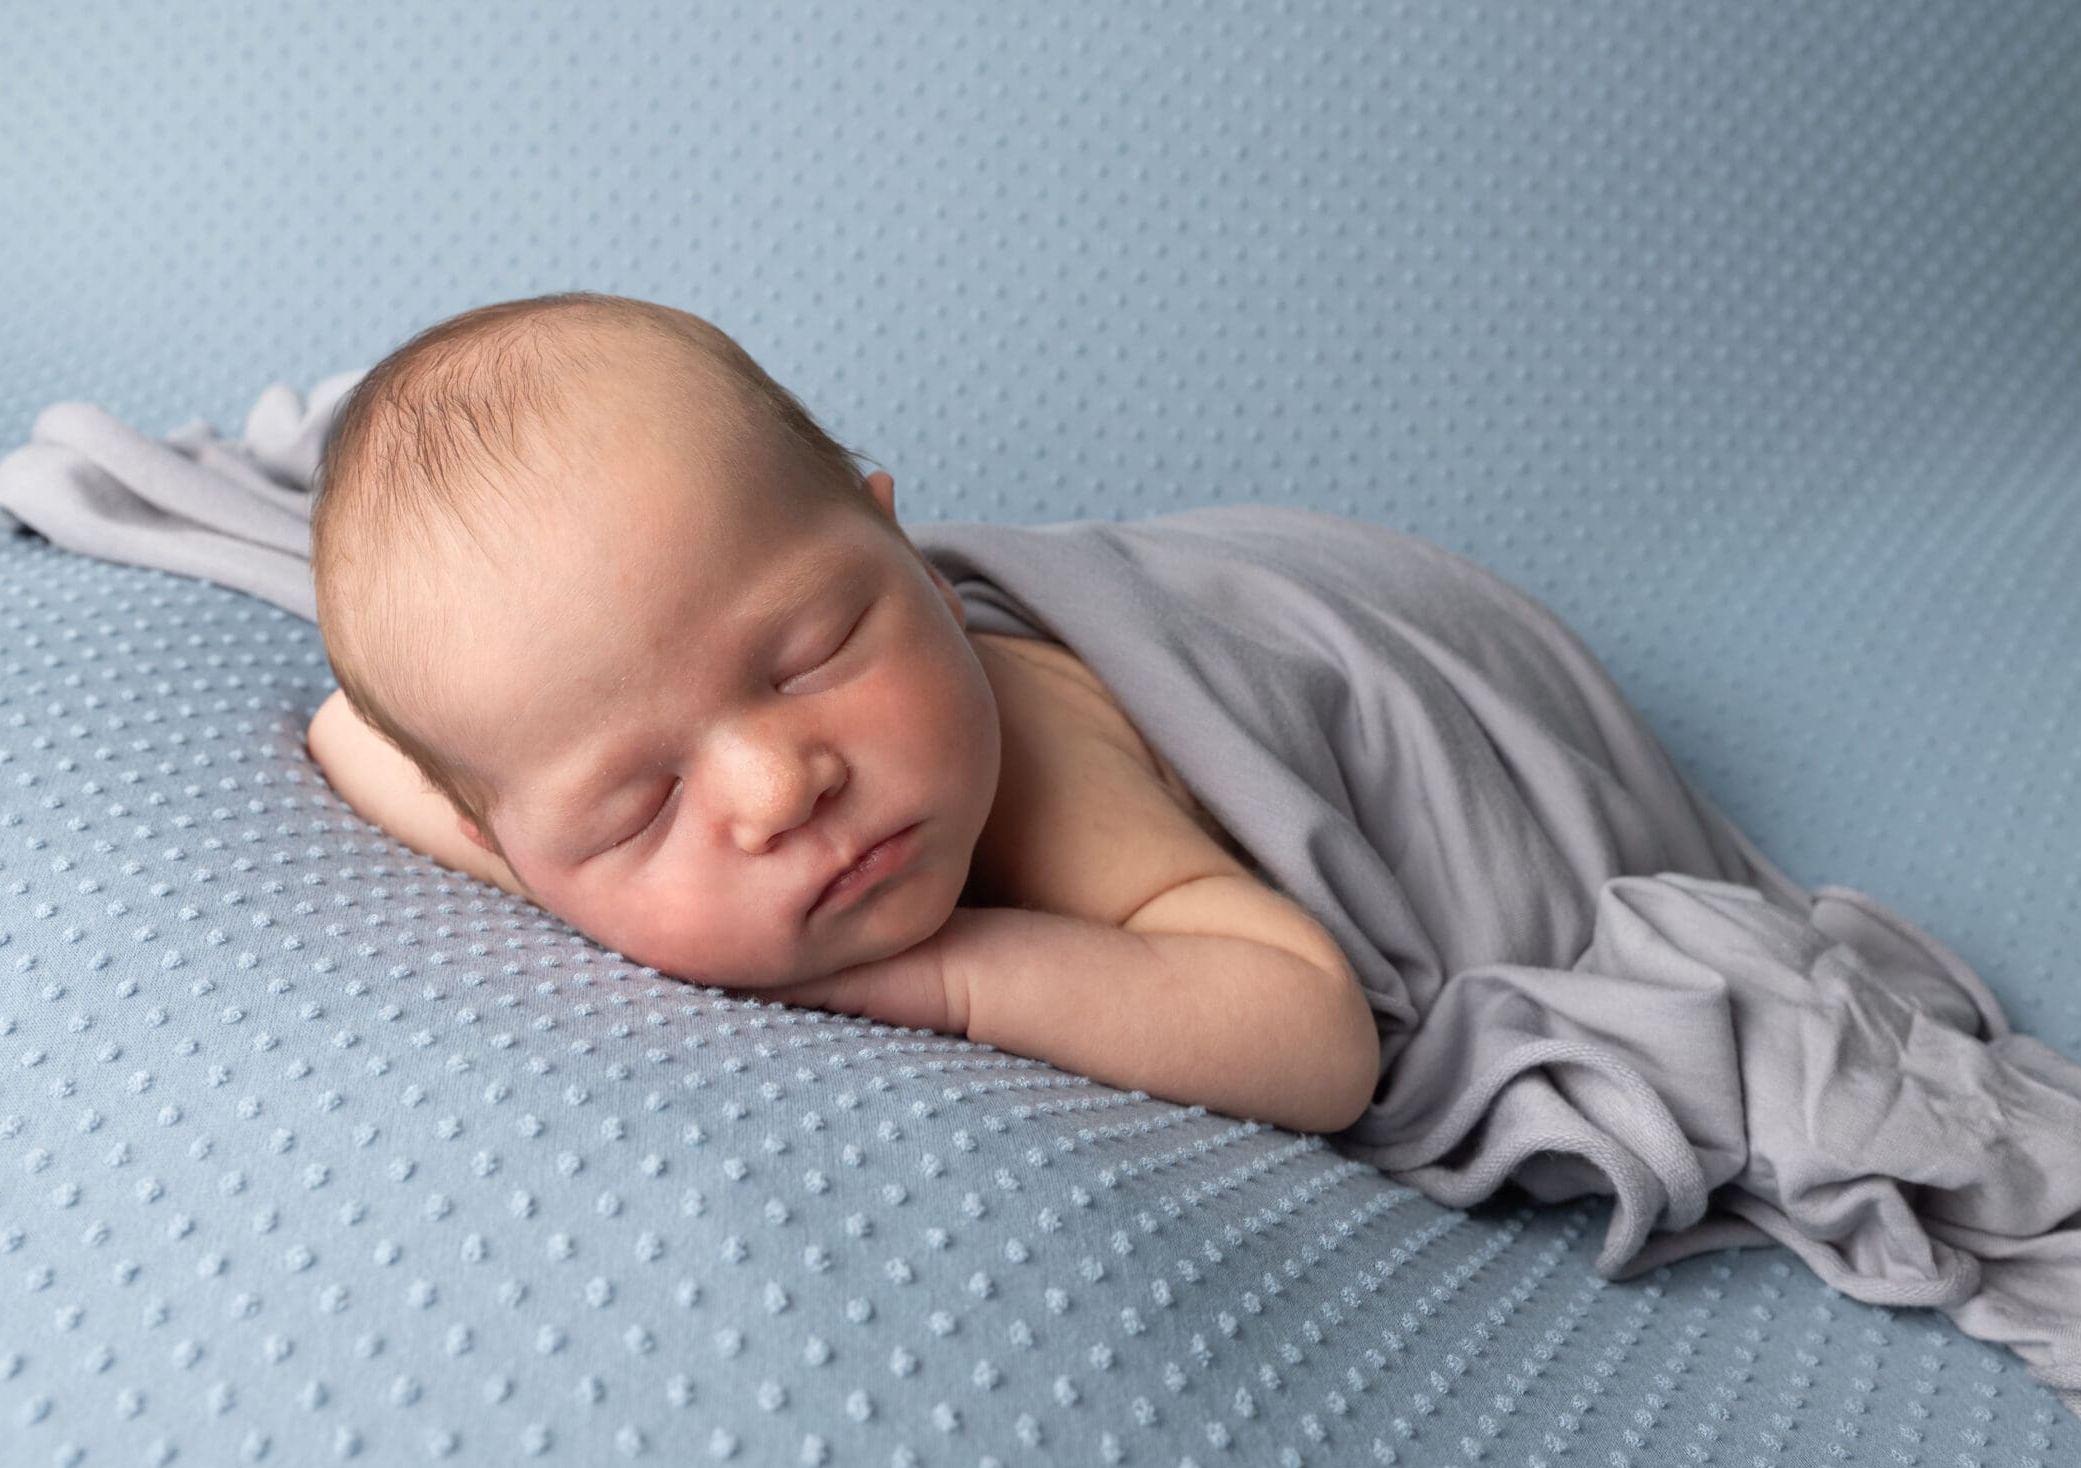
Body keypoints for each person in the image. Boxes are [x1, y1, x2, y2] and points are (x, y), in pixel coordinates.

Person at [303, 291, 1380, 1133]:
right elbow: (343, 731)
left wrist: (948, 974)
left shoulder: (1046, 769)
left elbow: (1315, 1035)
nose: (781, 786)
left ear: (908, 557)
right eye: (640, 807)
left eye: (812, 654)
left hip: (1360, 623)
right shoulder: (544, 806)